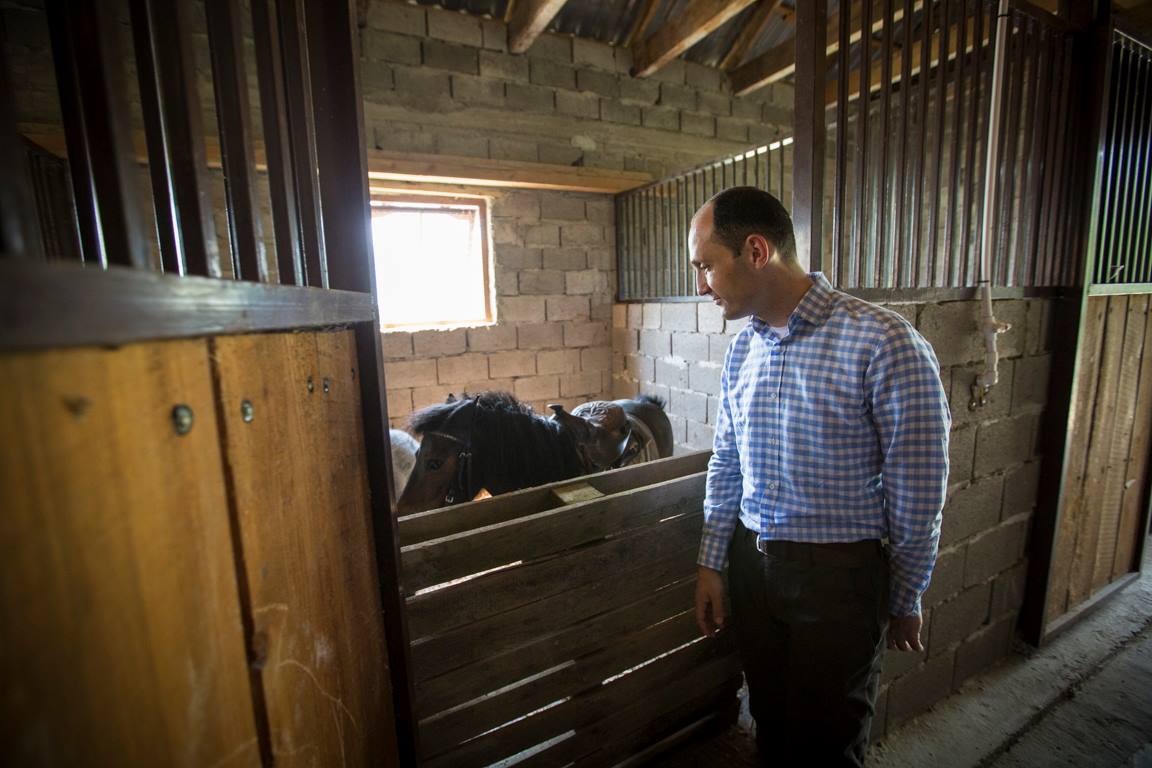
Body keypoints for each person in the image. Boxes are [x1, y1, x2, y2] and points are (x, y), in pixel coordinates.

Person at [691, 187, 950, 766]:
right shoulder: (743, 351)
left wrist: (905, 594)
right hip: (752, 568)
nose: (701, 285)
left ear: (756, 251)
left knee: (827, 742)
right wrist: (712, 562)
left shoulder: (883, 341)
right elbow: (727, 460)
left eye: (706, 265)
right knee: (770, 722)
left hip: (839, 580)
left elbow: (917, 488)